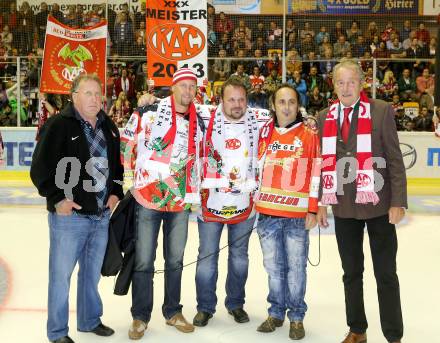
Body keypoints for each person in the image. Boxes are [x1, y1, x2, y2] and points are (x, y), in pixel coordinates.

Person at [316, 59, 406, 343]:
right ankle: (357, 329)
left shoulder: (380, 111)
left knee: (385, 273)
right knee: (351, 273)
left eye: (351, 81)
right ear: (333, 84)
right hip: (343, 206)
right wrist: (320, 202)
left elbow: (394, 158)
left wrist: (398, 201)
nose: (346, 87)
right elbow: (320, 163)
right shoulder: (323, 117)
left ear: (362, 82)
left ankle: (393, 335)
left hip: (379, 205)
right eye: (340, 82)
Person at [30, 74, 124, 343]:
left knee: (91, 274)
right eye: (88, 93)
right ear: (74, 96)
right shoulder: (58, 125)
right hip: (69, 218)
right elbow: (39, 168)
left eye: (98, 94)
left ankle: (89, 320)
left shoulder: (109, 127)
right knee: (61, 277)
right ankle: (58, 332)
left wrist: (116, 192)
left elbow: (118, 167)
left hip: (101, 216)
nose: (95, 99)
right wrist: (58, 199)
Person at [120, 68, 203, 340]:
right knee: (144, 260)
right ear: (174, 87)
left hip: (179, 200)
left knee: (175, 260)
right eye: (184, 86)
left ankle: (173, 311)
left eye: (193, 86)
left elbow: (234, 113)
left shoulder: (199, 119)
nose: (188, 91)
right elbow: (126, 142)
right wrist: (132, 177)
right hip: (148, 197)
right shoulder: (149, 112)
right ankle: (140, 317)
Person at [192, 78, 269, 327]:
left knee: (239, 258)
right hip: (211, 202)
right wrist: (148, 103)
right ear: (220, 100)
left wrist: (308, 119)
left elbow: (288, 114)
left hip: (244, 205)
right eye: (231, 99)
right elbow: (176, 104)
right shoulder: (204, 115)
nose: (237, 104)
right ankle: (205, 307)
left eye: (241, 99)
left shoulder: (258, 119)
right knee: (206, 258)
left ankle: (235, 303)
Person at [255, 84, 321, 340]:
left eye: (291, 101)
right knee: (273, 268)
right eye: (281, 102)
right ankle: (275, 312)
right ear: (273, 105)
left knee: (295, 269)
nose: (286, 106)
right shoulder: (264, 132)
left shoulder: (309, 135)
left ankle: (296, 316)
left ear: (298, 105)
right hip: (267, 215)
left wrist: (313, 209)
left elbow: (317, 173)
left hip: (296, 217)